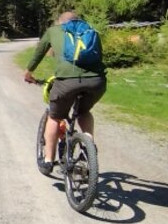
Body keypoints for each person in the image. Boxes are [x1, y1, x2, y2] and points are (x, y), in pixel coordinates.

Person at [24, 11, 107, 171]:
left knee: (55, 117)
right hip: (96, 81)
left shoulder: (54, 30)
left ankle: (48, 160)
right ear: (78, 21)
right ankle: (88, 145)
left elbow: (39, 52)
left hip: (66, 82)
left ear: (59, 22)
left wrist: (28, 73)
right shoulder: (90, 30)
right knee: (84, 112)